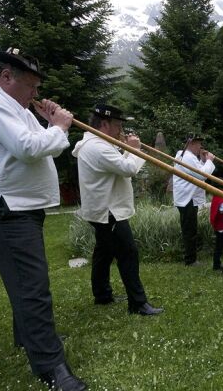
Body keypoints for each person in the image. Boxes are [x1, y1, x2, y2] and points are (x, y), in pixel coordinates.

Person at [0, 47, 87, 390]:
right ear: (5, 77)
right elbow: (29, 148)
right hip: (3, 207)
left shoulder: (13, 106)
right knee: (32, 286)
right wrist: (59, 126)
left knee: (24, 279)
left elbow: (41, 141)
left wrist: (49, 122)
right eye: (30, 86)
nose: (35, 94)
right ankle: (51, 366)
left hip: (18, 205)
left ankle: (26, 336)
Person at [72, 103, 163, 316]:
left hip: (101, 208)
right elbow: (128, 168)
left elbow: (118, 163)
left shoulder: (96, 143)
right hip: (109, 211)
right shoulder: (98, 147)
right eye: (117, 125)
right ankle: (138, 303)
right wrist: (136, 149)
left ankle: (102, 295)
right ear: (104, 124)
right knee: (128, 253)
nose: (120, 131)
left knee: (103, 252)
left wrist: (127, 148)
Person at [172, 134, 215, 266]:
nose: (200, 147)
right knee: (189, 230)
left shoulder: (188, 156)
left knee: (191, 229)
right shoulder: (186, 156)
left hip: (188, 198)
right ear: (190, 144)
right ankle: (190, 260)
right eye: (198, 144)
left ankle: (191, 258)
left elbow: (198, 171)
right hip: (187, 199)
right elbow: (202, 175)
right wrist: (209, 160)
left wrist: (203, 161)